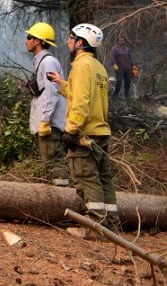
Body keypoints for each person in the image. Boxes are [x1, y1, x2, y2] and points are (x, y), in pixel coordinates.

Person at [47, 23, 119, 230]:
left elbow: (81, 102)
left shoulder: (80, 66)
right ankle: (111, 225)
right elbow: (83, 93)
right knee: (104, 179)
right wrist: (61, 83)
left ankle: (95, 225)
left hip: (85, 134)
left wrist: (70, 130)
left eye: (71, 38)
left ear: (80, 43)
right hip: (101, 132)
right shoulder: (98, 67)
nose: (68, 41)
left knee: (86, 178)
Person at [24, 22, 69, 186]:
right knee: (50, 162)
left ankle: (62, 195)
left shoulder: (48, 62)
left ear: (38, 41)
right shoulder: (41, 61)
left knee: (55, 162)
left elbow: (52, 92)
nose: (26, 41)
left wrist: (45, 120)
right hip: (47, 123)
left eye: (29, 37)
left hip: (50, 124)